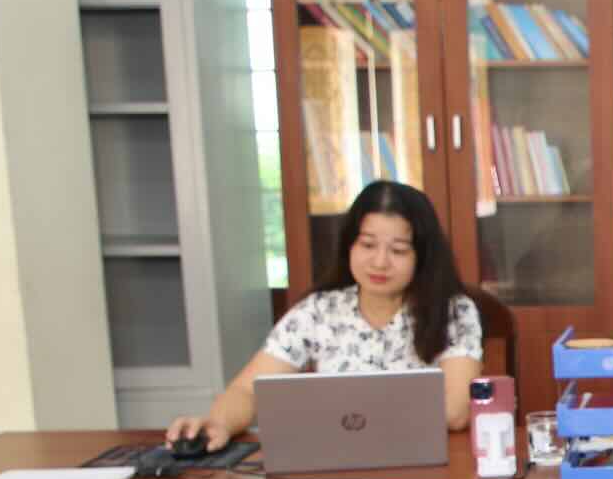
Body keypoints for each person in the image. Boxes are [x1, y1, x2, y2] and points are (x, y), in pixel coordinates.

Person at [166, 180, 485, 451]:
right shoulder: (319, 311)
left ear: (423, 257)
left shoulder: (453, 312)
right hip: (335, 467)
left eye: (398, 250)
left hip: (424, 466)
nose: (379, 262)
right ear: (349, 246)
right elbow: (248, 390)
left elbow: (455, 411)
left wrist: (351, 421)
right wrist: (217, 423)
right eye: (367, 245)